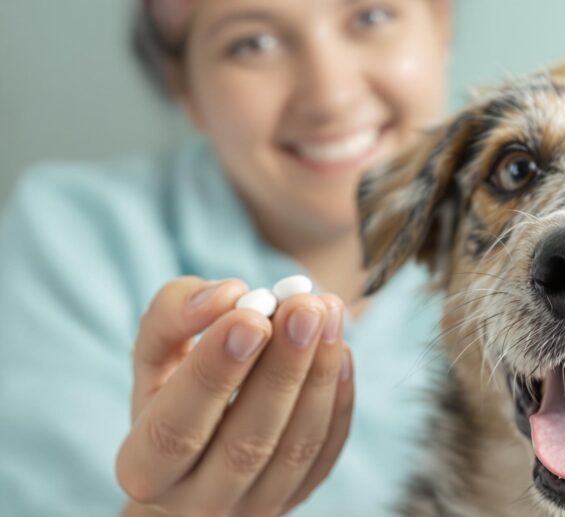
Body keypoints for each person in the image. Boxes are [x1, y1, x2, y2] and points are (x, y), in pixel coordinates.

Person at [0, 0, 451, 515]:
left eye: (370, 16)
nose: (331, 95)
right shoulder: (71, 234)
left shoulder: (540, 258)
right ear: (184, 87)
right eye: (252, 43)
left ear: (440, 23)